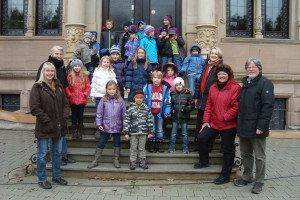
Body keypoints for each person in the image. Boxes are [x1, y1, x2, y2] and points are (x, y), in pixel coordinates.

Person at [194, 64, 241, 185]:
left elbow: (236, 106)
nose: (221, 76)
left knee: (227, 149)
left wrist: (226, 117)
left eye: (224, 74)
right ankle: (204, 161)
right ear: (216, 75)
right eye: (220, 74)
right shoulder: (213, 87)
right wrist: (205, 121)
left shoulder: (235, 87)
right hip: (214, 123)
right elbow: (209, 105)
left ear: (228, 75)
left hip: (228, 125)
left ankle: (225, 175)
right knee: (202, 138)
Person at [234, 57, 274, 194]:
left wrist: (262, 126)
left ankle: (259, 181)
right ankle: (247, 177)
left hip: (257, 127)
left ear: (259, 68)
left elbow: (267, 106)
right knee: (245, 154)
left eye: (254, 67)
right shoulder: (245, 83)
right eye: (249, 67)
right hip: (244, 126)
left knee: (259, 156)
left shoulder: (265, 83)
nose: (251, 69)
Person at [30, 62, 69, 189]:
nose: (50, 73)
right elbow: (35, 107)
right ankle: (42, 179)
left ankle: (56, 176)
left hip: (59, 126)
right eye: (47, 71)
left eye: (52, 71)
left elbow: (65, 104)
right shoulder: (37, 87)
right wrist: (47, 120)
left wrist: (64, 117)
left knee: (57, 153)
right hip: (44, 126)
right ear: (43, 72)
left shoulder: (59, 86)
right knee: (41, 155)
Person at [35, 45, 75, 166]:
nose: (59, 56)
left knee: (61, 132)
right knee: (54, 135)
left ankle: (63, 155)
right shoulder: (46, 66)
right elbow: (39, 85)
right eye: (56, 54)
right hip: (49, 105)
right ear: (51, 54)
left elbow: (64, 82)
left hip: (61, 101)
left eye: (60, 54)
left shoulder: (61, 65)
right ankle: (56, 158)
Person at [87, 80, 126, 169]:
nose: (111, 91)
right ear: (106, 90)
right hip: (106, 126)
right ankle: (95, 160)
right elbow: (99, 113)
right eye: (109, 89)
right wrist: (98, 123)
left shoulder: (120, 101)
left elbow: (124, 114)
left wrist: (124, 125)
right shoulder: (103, 100)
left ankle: (116, 160)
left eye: (113, 89)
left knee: (117, 142)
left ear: (116, 90)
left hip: (117, 126)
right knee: (101, 142)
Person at [193, 46, 223, 152]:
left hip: (211, 101)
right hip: (201, 100)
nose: (213, 55)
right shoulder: (206, 65)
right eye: (212, 53)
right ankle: (197, 145)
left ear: (219, 56)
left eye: (216, 53)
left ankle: (208, 147)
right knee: (199, 124)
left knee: (208, 126)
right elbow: (200, 82)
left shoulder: (220, 67)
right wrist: (196, 97)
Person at [123, 89, 153, 170]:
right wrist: (126, 132)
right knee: (133, 148)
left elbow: (149, 120)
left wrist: (150, 131)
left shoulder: (146, 109)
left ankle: (142, 161)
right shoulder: (130, 109)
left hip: (143, 133)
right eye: (137, 97)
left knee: (141, 148)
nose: (139, 99)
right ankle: (132, 162)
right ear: (134, 99)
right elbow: (126, 121)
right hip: (133, 133)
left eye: (140, 97)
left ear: (143, 98)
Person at [143, 71, 171, 153]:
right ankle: (151, 142)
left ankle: (160, 142)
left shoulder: (165, 88)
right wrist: (145, 111)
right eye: (155, 78)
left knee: (159, 129)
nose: (156, 80)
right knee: (151, 128)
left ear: (161, 79)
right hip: (150, 112)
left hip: (160, 113)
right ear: (152, 78)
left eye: (158, 78)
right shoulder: (147, 87)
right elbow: (143, 100)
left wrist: (166, 112)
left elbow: (168, 102)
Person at [90, 56, 117, 139]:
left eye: (107, 62)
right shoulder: (97, 72)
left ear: (109, 64)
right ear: (101, 62)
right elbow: (93, 84)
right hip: (99, 96)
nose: (106, 64)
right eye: (104, 62)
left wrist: (114, 94)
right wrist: (92, 95)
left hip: (109, 96)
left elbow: (115, 84)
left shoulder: (111, 72)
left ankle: (108, 130)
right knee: (99, 113)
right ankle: (98, 128)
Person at [65, 59, 91, 140]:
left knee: (80, 115)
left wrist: (85, 94)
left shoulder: (84, 76)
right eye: (75, 66)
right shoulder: (69, 76)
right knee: (74, 115)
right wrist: (69, 94)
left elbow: (88, 87)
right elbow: (66, 87)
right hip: (72, 99)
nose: (77, 67)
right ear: (73, 67)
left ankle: (80, 130)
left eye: (78, 66)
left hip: (81, 99)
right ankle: (74, 130)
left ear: (81, 67)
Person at [168, 77, 194, 154]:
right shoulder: (172, 94)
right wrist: (172, 109)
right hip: (175, 117)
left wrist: (186, 109)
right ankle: (171, 147)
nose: (178, 87)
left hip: (184, 117)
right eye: (176, 85)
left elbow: (192, 105)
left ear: (183, 85)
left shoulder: (187, 94)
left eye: (180, 85)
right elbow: (170, 104)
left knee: (184, 133)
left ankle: (185, 147)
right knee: (173, 133)